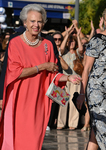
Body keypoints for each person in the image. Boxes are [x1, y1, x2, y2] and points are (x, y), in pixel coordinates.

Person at [0, 4, 81, 150]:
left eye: (39, 21)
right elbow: (15, 72)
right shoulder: (15, 43)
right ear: (25, 23)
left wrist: (68, 78)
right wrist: (42, 67)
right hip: (19, 100)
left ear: (43, 23)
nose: (36, 25)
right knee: (18, 139)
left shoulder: (48, 44)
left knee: (35, 140)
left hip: (39, 100)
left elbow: (53, 74)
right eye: (32, 21)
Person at [76, 7, 106, 150]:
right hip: (95, 90)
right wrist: (82, 93)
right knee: (104, 125)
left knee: (96, 130)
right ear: (103, 21)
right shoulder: (96, 40)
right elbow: (87, 69)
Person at [57, 24, 84, 130]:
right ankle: (60, 123)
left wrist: (77, 35)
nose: (71, 43)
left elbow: (81, 48)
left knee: (73, 102)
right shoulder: (64, 52)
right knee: (62, 102)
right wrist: (67, 34)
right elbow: (61, 48)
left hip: (76, 79)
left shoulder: (77, 53)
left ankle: (73, 123)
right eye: (69, 41)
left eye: (72, 41)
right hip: (65, 78)